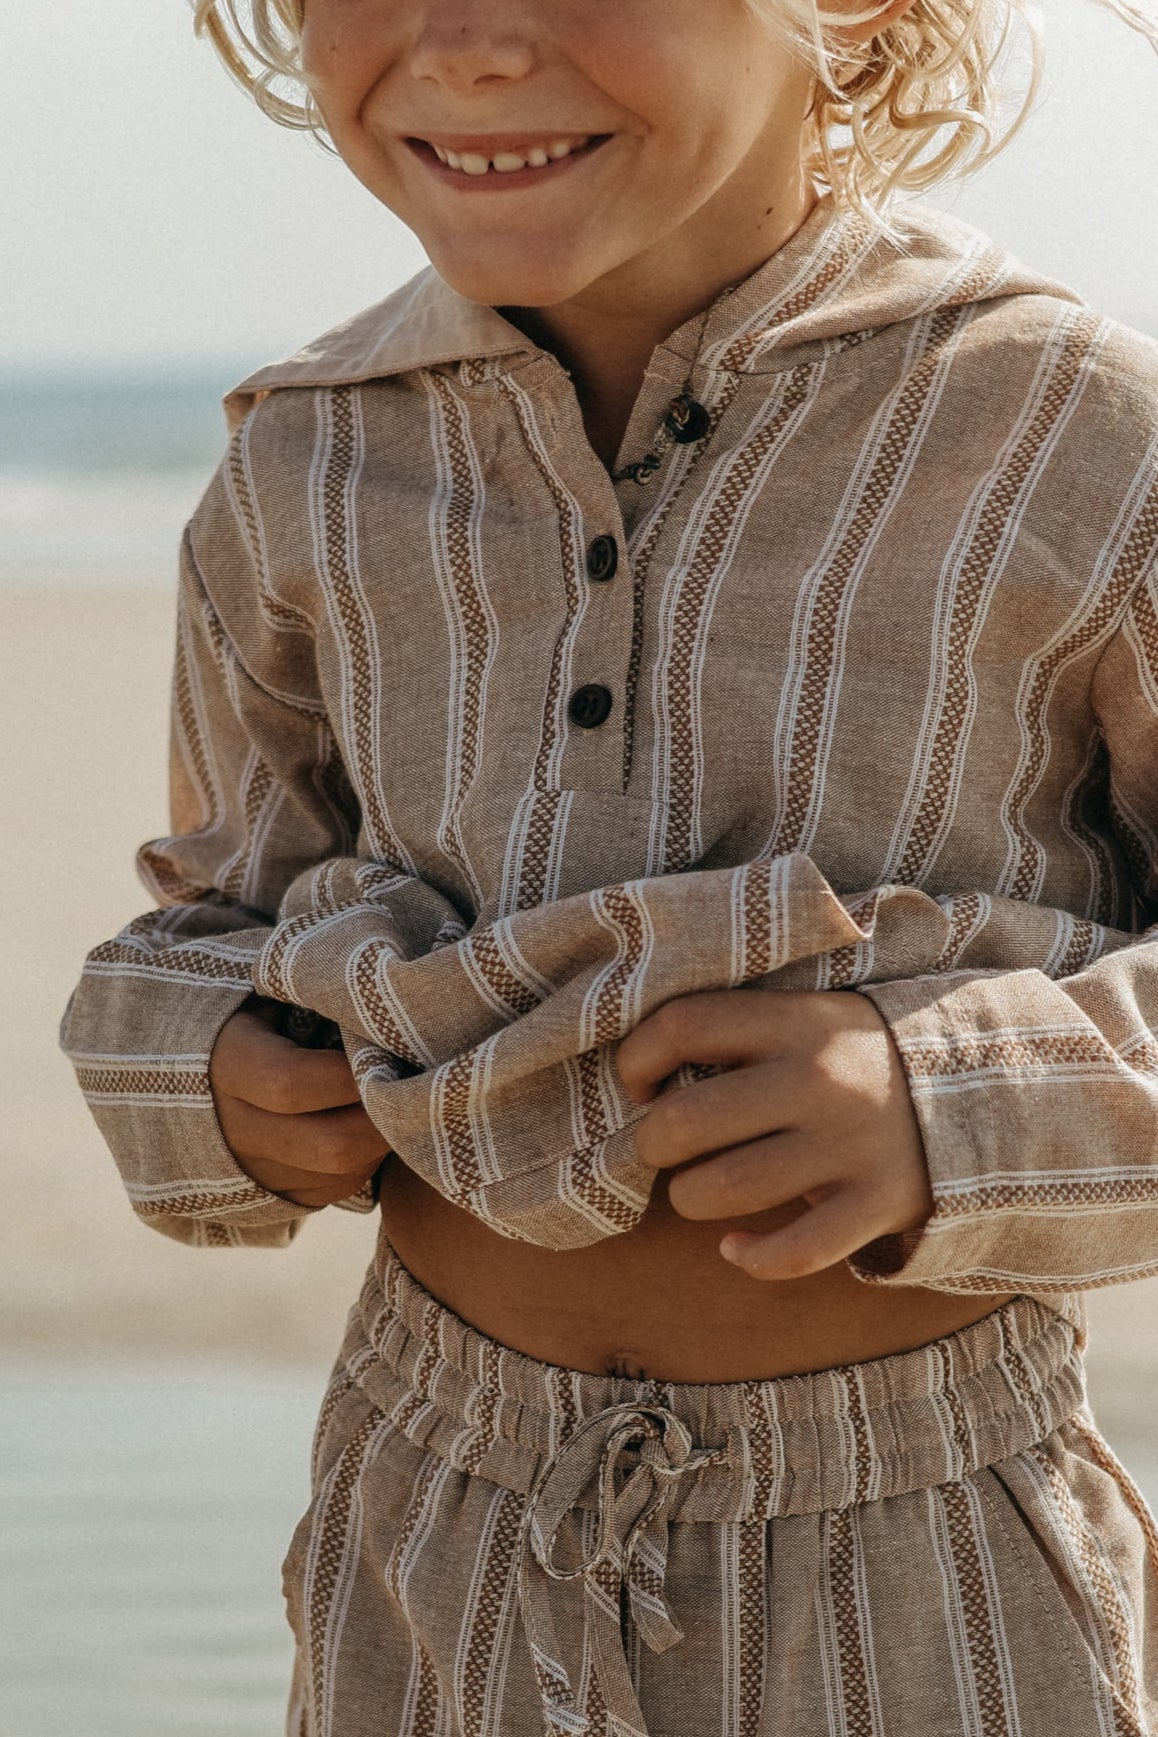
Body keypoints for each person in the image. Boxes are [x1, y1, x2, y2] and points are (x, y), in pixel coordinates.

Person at [60, 0, 1158, 1728]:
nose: (473, 45)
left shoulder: (1075, 439)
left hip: (927, 1550)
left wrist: (945, 1099)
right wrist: (206, 1074)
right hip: (425, 1525)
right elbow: (219, 913)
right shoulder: (306, 460)